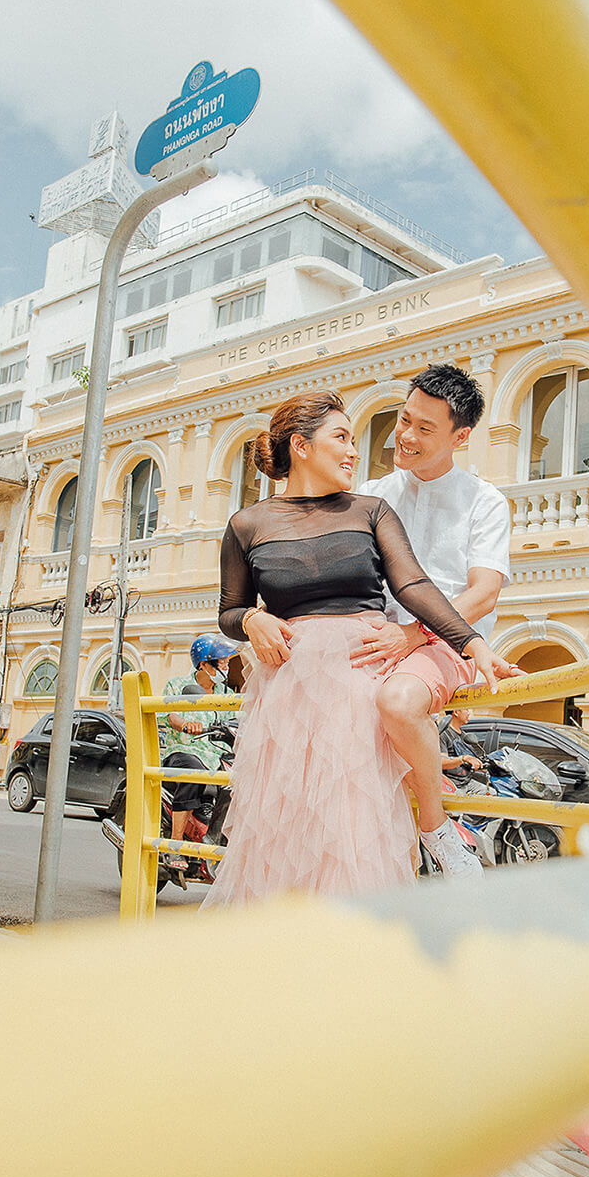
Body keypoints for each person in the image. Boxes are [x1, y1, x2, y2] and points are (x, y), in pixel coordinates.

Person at [207, 390, 517, 906]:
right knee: (283, 830)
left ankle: (363, 952)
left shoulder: (372, 509)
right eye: (342, 438)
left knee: (352, 831)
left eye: (354, 439)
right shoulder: (247, 523)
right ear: (301, 447)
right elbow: (228, 611)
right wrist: (253, 618)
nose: (356, 449)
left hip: (361, 670)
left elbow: (413, 587)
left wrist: (471, 642)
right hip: (288, 690)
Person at [353, 364, 513, 878]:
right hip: (377, 639)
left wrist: (414, 633)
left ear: (460, 436)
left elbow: (484, 593)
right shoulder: (373, 493)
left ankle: (437, 830)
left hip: (449, 644)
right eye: (404, 420)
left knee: (397, 703)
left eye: (425, 429)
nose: (406, 436)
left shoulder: (484, 501)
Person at [157, 633, 238, 874]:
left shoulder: (226, 693)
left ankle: (215, 838)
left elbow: (238, 717)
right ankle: (175, 845)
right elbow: (171, 714)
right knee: (194, 773)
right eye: (222, 662)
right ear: (204, 664)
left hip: (216, 755)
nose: (226, 666)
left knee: (242, 779)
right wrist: (185, 724)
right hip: (184, 750)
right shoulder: (179, 684)